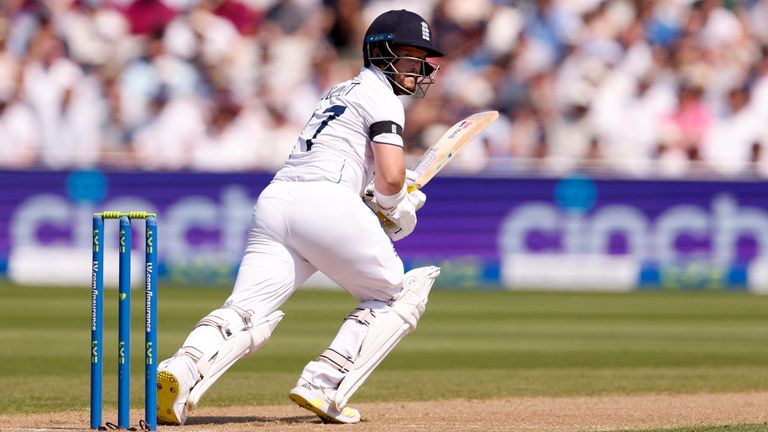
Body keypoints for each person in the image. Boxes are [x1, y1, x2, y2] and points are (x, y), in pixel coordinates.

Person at [155, 9, 444, 425]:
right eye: (412, 58)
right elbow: (392, 176)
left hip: (278, 201)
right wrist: (395, 206)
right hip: (324, 202)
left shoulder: (338, 91)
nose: (419, 70)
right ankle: (324, 383)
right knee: (398, 294)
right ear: (382, 54)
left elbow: (356, 169)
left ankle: (182, 368)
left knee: (246, 308)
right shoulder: (382, 96)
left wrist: (380, 199)